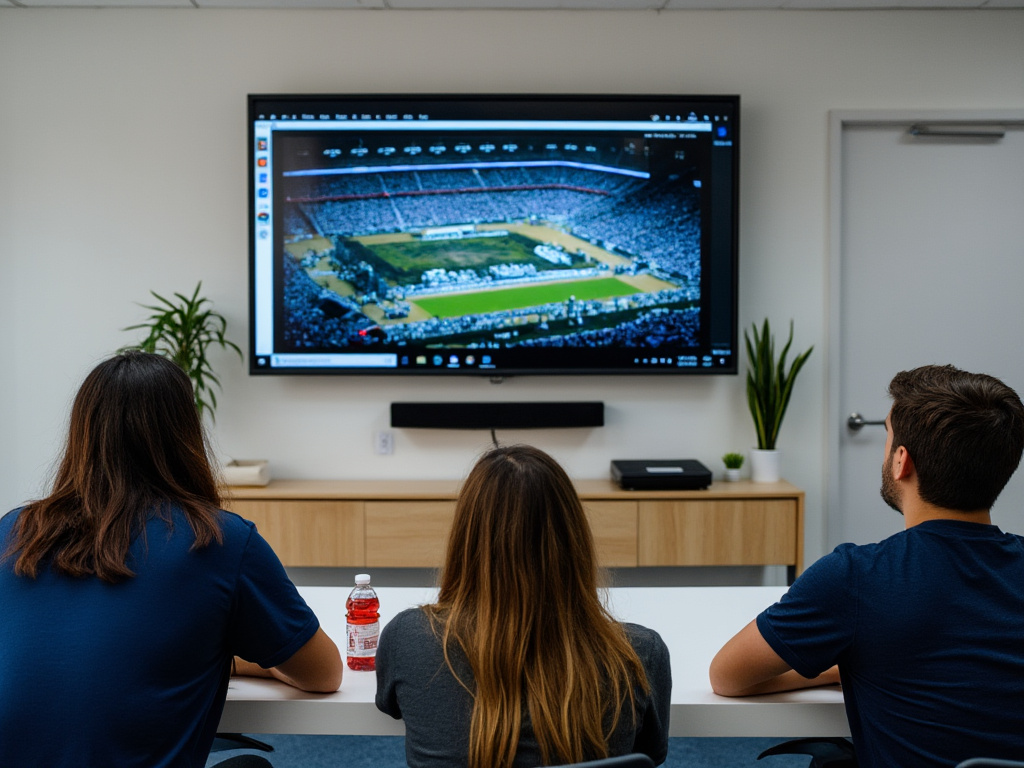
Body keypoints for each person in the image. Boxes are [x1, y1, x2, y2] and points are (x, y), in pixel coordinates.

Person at [0, 351, 343, 768]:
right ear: (185, 435)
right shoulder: (217, 539)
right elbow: (324, 674)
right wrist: (258, 664)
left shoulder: (15, 530)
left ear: (82, 434)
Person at [710, 364, 1024, 767]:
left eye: (888, 437)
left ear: (901, 461)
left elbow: (728, 676)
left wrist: (834, 668)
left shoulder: (856, 577)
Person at [375, 444, 671, 768]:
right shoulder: (640, 656)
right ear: (574, 540)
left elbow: (394, 706)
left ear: (466, 538)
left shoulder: (408, 639)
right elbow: (649, 754)